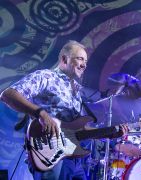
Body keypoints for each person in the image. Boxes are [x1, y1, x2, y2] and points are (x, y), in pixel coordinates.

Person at [0, 40, 128, 180]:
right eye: (80, 59)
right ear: (64, 59)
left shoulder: (76, 90)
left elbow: (77, 130)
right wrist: (40, 113)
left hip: (73, 158)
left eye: (85, 61)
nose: (84, 65)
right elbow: (8, 95)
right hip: (50, 155)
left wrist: (108, 133)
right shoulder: (46, 76)